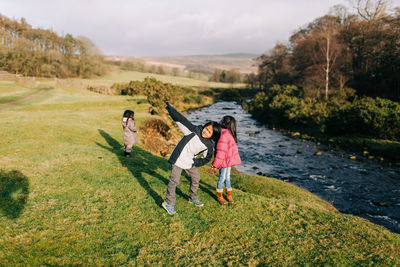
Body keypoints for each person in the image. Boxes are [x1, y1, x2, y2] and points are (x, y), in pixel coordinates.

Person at [162, 102, 221, 215]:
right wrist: (170, 109)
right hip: (179, 159)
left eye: (209, 132)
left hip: (190, 162)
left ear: (213, 136)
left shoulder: (209, 146)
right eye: (206, 128)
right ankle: (168, 203)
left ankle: (192, 197)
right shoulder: (193, 130)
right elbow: (181, 119)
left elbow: (206, 158)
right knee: (174, 181)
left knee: (196, 178)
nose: (206, 132)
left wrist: (195, 162)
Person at [212, 115, 241, 205]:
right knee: (222, 178)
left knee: (227, 177)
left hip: (227, 161)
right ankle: (219, 196)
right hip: (223, 161)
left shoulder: (227, 133)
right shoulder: (224, 135)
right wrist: (215, 164)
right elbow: (221, 151)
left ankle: (228, 194)